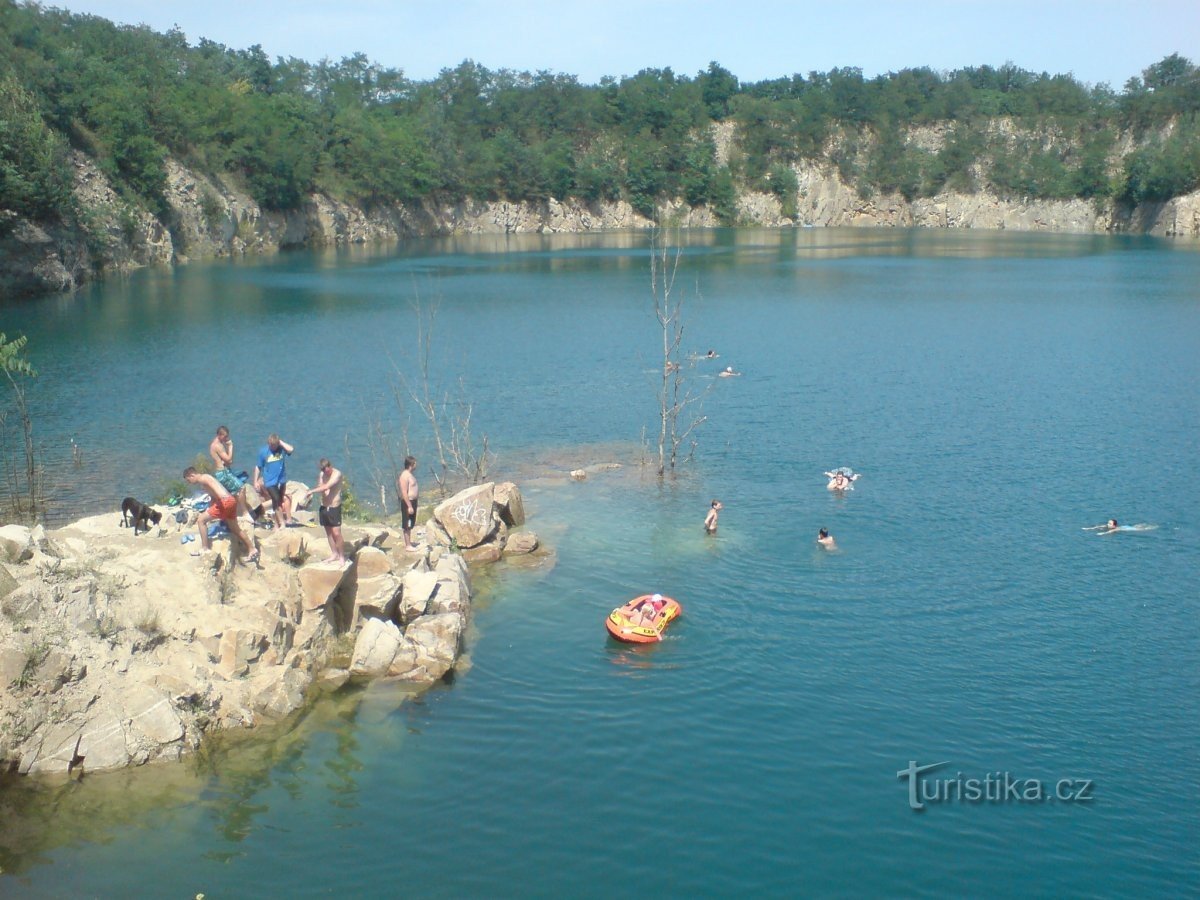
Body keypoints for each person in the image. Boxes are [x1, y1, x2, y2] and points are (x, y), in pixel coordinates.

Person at [183, 466, 257, 562]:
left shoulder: (203, 479)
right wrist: (211, 509)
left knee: (201, 520)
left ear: (192, 475)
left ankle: (205, 549)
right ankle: (252, 549)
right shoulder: (207, 478)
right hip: (231, 500)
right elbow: (213, 496)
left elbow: (217, 495)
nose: (190, 483)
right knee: (235, 529)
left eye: (189, 480)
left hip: (225, 501)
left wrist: (216, 509)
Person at [301, 458, 344, 564]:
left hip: (334, 506)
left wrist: (311, 491)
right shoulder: (322, 474)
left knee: (336, 533)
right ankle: (334, 554)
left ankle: (342, 556)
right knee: (329, 532)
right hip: (324, 506)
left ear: (330, 466)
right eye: (323, 470)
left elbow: (327, 486)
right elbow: (321, 486)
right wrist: (319, 486)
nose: (326, 471)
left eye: (327, 469)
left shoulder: (336, 474)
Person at [255, 434, 294, 528]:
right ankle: (282, 523)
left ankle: (276, 524)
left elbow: (291, 449)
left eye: (274, 445)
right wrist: (255, 481)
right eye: (270, 445)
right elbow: (258, 467)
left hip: (281, 480)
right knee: (275, 500)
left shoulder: (281, 449)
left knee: (279, 501)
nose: (272, 447)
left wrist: (280, 442)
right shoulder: (263, 452)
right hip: (269, 481)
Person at [397, 455, 419, 551]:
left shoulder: (410, 475)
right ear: (411, 464)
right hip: (408, 502)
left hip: (413, 501)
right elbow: (404, 492)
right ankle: (408, 545)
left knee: (411, 523)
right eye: (415, 463)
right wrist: (409, 506)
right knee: (407, 523)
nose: (416, 465)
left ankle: (409, 542)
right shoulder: (404, 476)